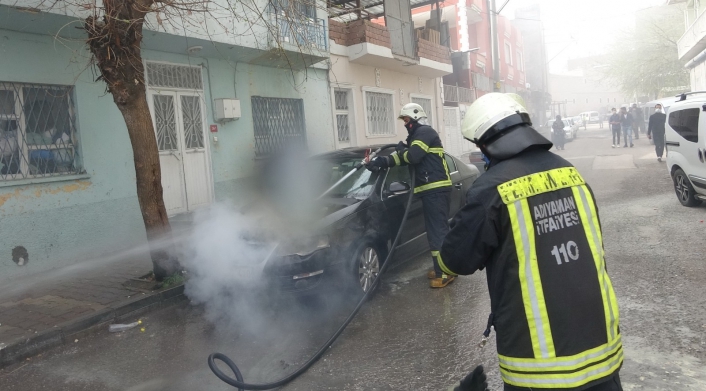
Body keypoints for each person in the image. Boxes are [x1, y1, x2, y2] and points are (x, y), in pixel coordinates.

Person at [438, 93, 623, 391]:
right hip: (602, 350)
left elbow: (453, 261)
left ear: (485, 145)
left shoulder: (491, 189)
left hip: (539, 365)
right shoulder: (571, 173)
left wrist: (463, 220)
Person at [365, 102, 454, 288]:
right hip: (430, 190)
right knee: (435, 231)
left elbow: (413, 156)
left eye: (406, 120)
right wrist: (379, 162)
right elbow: (401, 158)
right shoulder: (416, 136)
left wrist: (402, 150)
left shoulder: (425, 132)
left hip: (436, 189)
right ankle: (444, 267)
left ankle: (444, 273)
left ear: (415, 117)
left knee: (437, 232)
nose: (405, 124)